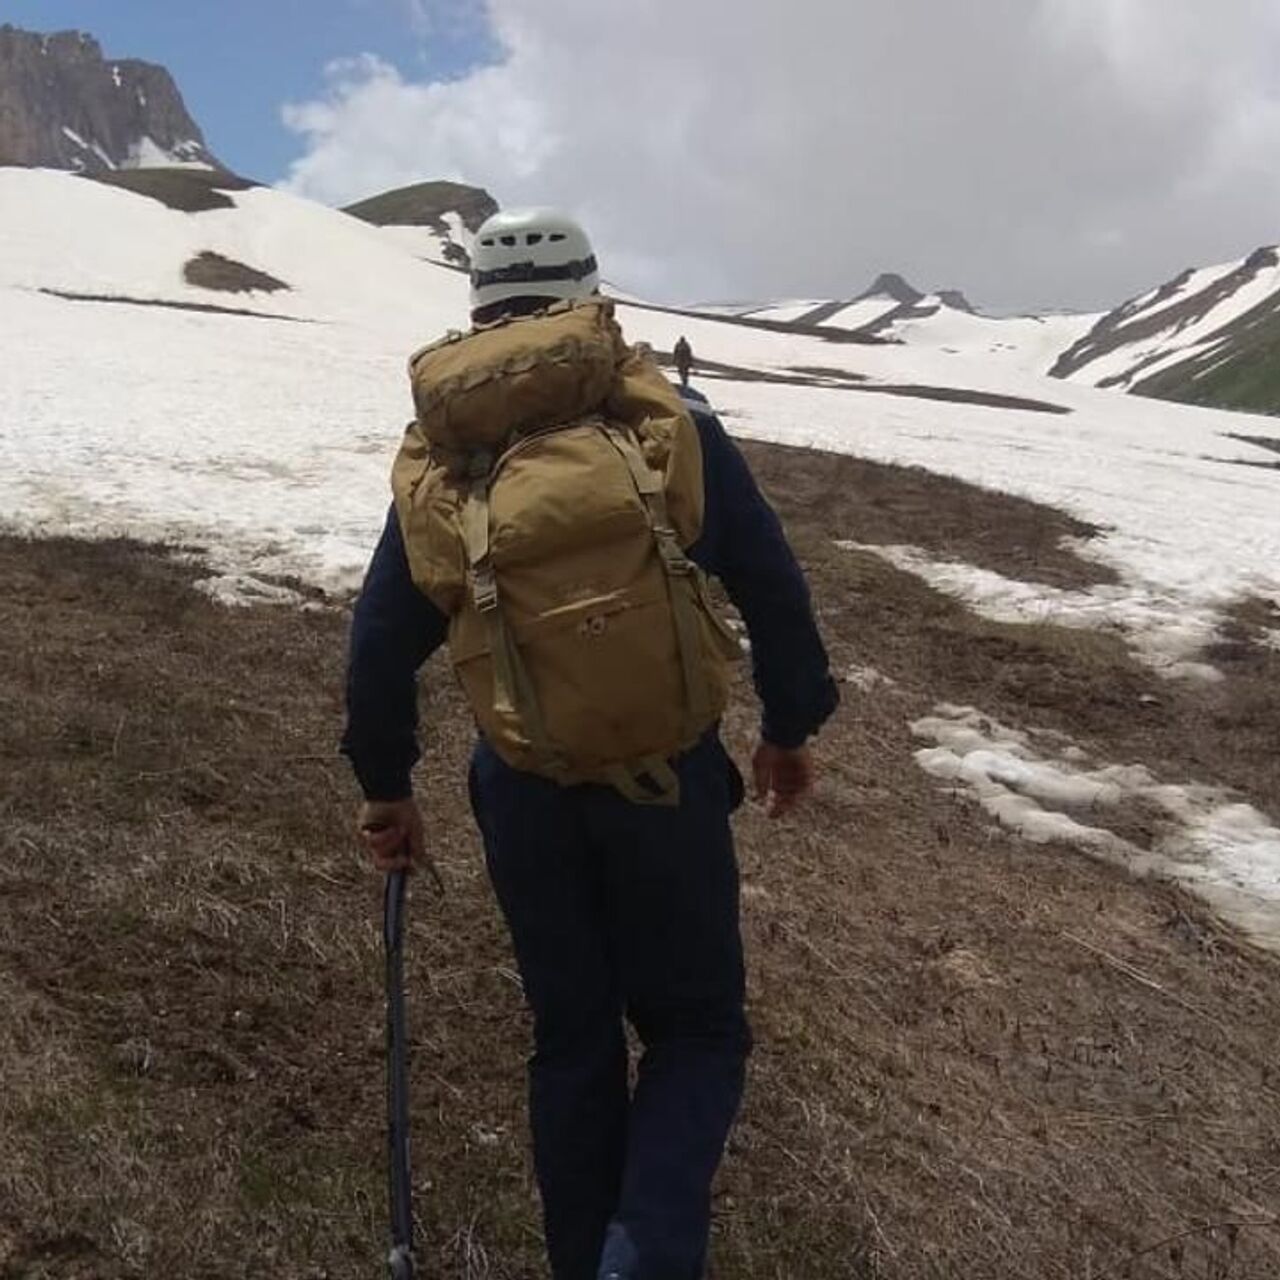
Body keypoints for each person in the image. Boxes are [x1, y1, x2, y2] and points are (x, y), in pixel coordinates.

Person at [342, 207, 837, 1280]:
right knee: (696, 1030)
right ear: (588, 293)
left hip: (522, 786)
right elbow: (771, 585)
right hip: (667, 779)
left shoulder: (441, 453)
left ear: (476, 307)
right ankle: (645, 1253)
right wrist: (787, 726)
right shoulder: (666, 418)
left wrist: (387, 788)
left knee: (572, 1038)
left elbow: (379, 646)